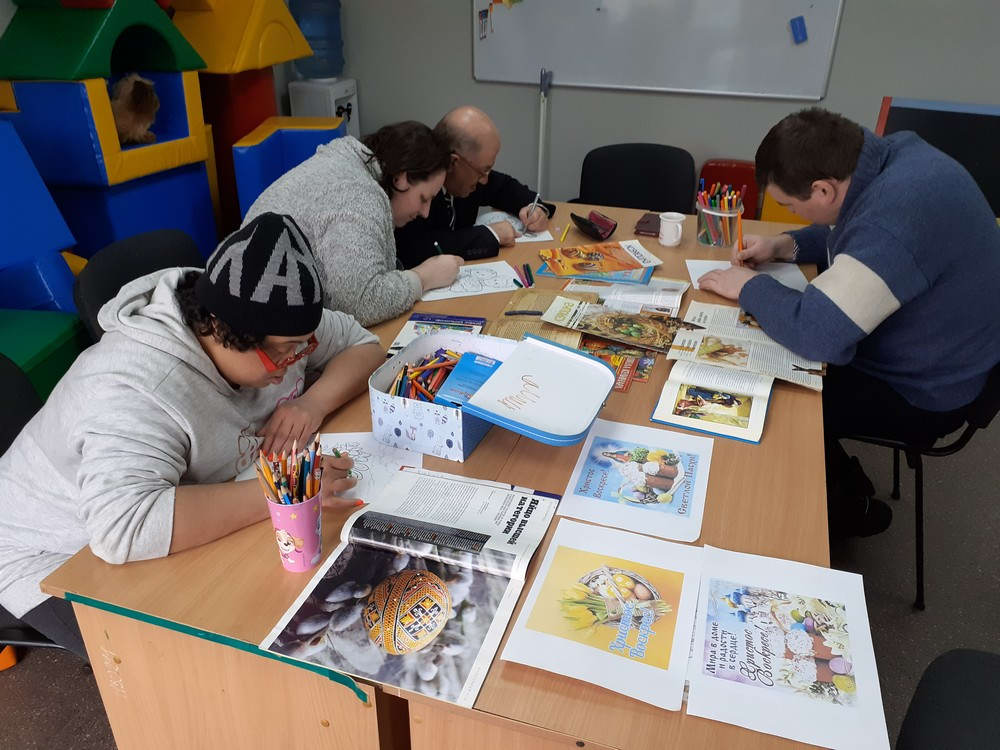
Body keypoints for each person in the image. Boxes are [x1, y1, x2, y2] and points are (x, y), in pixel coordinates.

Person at [0, 213, 384, 657]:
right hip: (52, 550)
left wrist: (311, 404)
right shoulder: (136, 386)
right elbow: (125, 528)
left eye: (305, 346)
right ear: (219, 329)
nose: (296, 361)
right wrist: (287, 493)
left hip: (177, 502)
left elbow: (363, 345)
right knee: (176, 664)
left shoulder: (270, 314)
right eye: (283, 353)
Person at [698, 107, 1000, 537]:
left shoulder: (894, 218)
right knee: (780, 373)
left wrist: (749, 287)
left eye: (789, 206)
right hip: (941, 349)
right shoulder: (893, 157)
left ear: (823, 189)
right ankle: (841, 484)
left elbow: (819, 335)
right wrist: (785, 244)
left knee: (778, 399)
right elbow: (850, 230)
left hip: (926, 391)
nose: (792, 212)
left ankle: (843, 511)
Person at [245, 121, 463, 327]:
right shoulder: (358, 195)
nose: (425, 212)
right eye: (424, 199)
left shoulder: (349, 164)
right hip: (264, 327)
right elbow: (358, 303)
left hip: (266, 311)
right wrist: (424, 277)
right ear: (401, 178)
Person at [394, 106, 555, 267]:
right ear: (453, 162)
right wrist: (491, 234)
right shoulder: (417, 185)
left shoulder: (470, 176)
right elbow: (413, 250)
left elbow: (504, 187)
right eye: (483, 171)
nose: (484, 180)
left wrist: (535, 208)